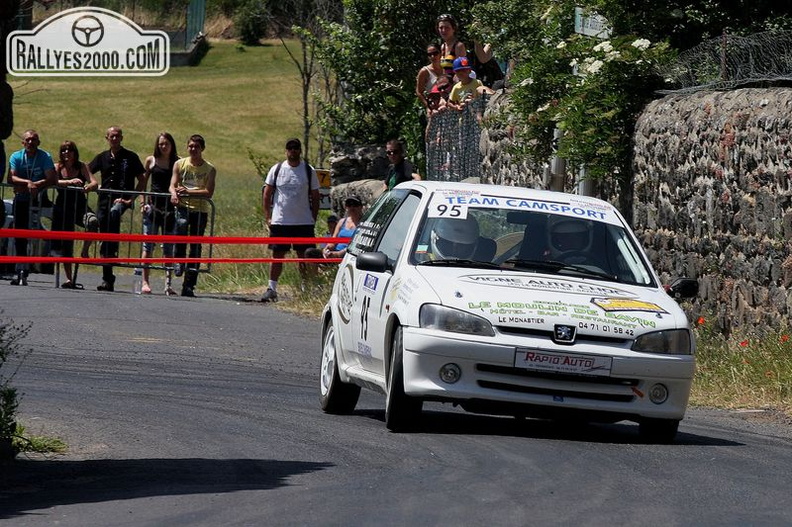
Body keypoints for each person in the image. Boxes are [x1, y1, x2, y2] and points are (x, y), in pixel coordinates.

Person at [261, 137, 320, 302]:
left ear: (300, 151)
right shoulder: (277, 169)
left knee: (304, 256)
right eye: (290, 148)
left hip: (303, 222)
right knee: (277, 255)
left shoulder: (308, 170)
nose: (293, 151)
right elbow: (267, 193)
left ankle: (304, 288)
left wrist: (313, 217)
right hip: (281, 221)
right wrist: (268, 217)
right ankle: (271, 288)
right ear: (286, 151)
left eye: (296, 148)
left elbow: (315, 196)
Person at [88, 126, 146, 292]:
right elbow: (87, 170)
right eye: (111, 136)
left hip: (121, 200)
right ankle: (108, 278)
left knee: (115, 213)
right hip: (103, 202)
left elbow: (142, 179)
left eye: (117, 136)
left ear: (122, 138)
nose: (114, 139)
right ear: (107, 138)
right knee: (104, 235)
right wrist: (92, 183)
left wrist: (130, 199)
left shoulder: (131, 157)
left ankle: (112, 250)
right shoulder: (102, 157)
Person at [6, 129, 57, 285]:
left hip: (41, 200)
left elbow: (51, 178)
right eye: (27, 140)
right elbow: (11, 177)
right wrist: (27, 183)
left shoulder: (45, 156)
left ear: (38, 142)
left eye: (34, 139)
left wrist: (37, 184)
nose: (30, 142)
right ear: (23, 143)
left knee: (39, 234)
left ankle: (46, 262)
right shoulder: (16, 156)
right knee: (19, 235)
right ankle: (21, 269)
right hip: (21, 200)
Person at [169, 134, 216, 298]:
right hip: (183, 207)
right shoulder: (179, 164)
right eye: (191, 146)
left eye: (196, 147)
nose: (193, 149)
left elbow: (208, 192)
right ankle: (178, 260)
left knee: (195, 246)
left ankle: (189, 285)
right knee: (180, 227)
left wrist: (188, 192)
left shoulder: (209, 169)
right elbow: (172, 185)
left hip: (200, 210)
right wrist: (174, 194)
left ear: (202, 148)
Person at [51, 140, 98, 289]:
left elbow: (94, 182)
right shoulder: (57, 167)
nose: (66, 153)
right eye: (64, 150)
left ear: (74, 152)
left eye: (69, 150)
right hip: (62, 208)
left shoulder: (82, 166)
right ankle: (69, 278)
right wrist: (70, 182)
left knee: (92, 222)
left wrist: (87, 187)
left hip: (79, 207)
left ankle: (85, 251)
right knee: (66, 244)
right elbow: (52, 181)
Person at [141, 132, 179, 295]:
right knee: (147, 245)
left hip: (169, 209)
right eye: (161, 144)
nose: (163, 147)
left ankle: (168, 284)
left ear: (172, 145)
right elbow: (143, 182)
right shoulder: (151, 160)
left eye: (166, 144)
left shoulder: (177, 162)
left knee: (168, 248)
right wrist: (142, 202)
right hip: (153, 207)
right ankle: (145, 281)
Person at [416, 43, 445, 113]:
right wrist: (428, 106)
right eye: (429, 54)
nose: (432, 56)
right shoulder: (424, 71)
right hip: (435, 108)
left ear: (441, 53)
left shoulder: (446, 67)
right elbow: (419, 92)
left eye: (435, 53)